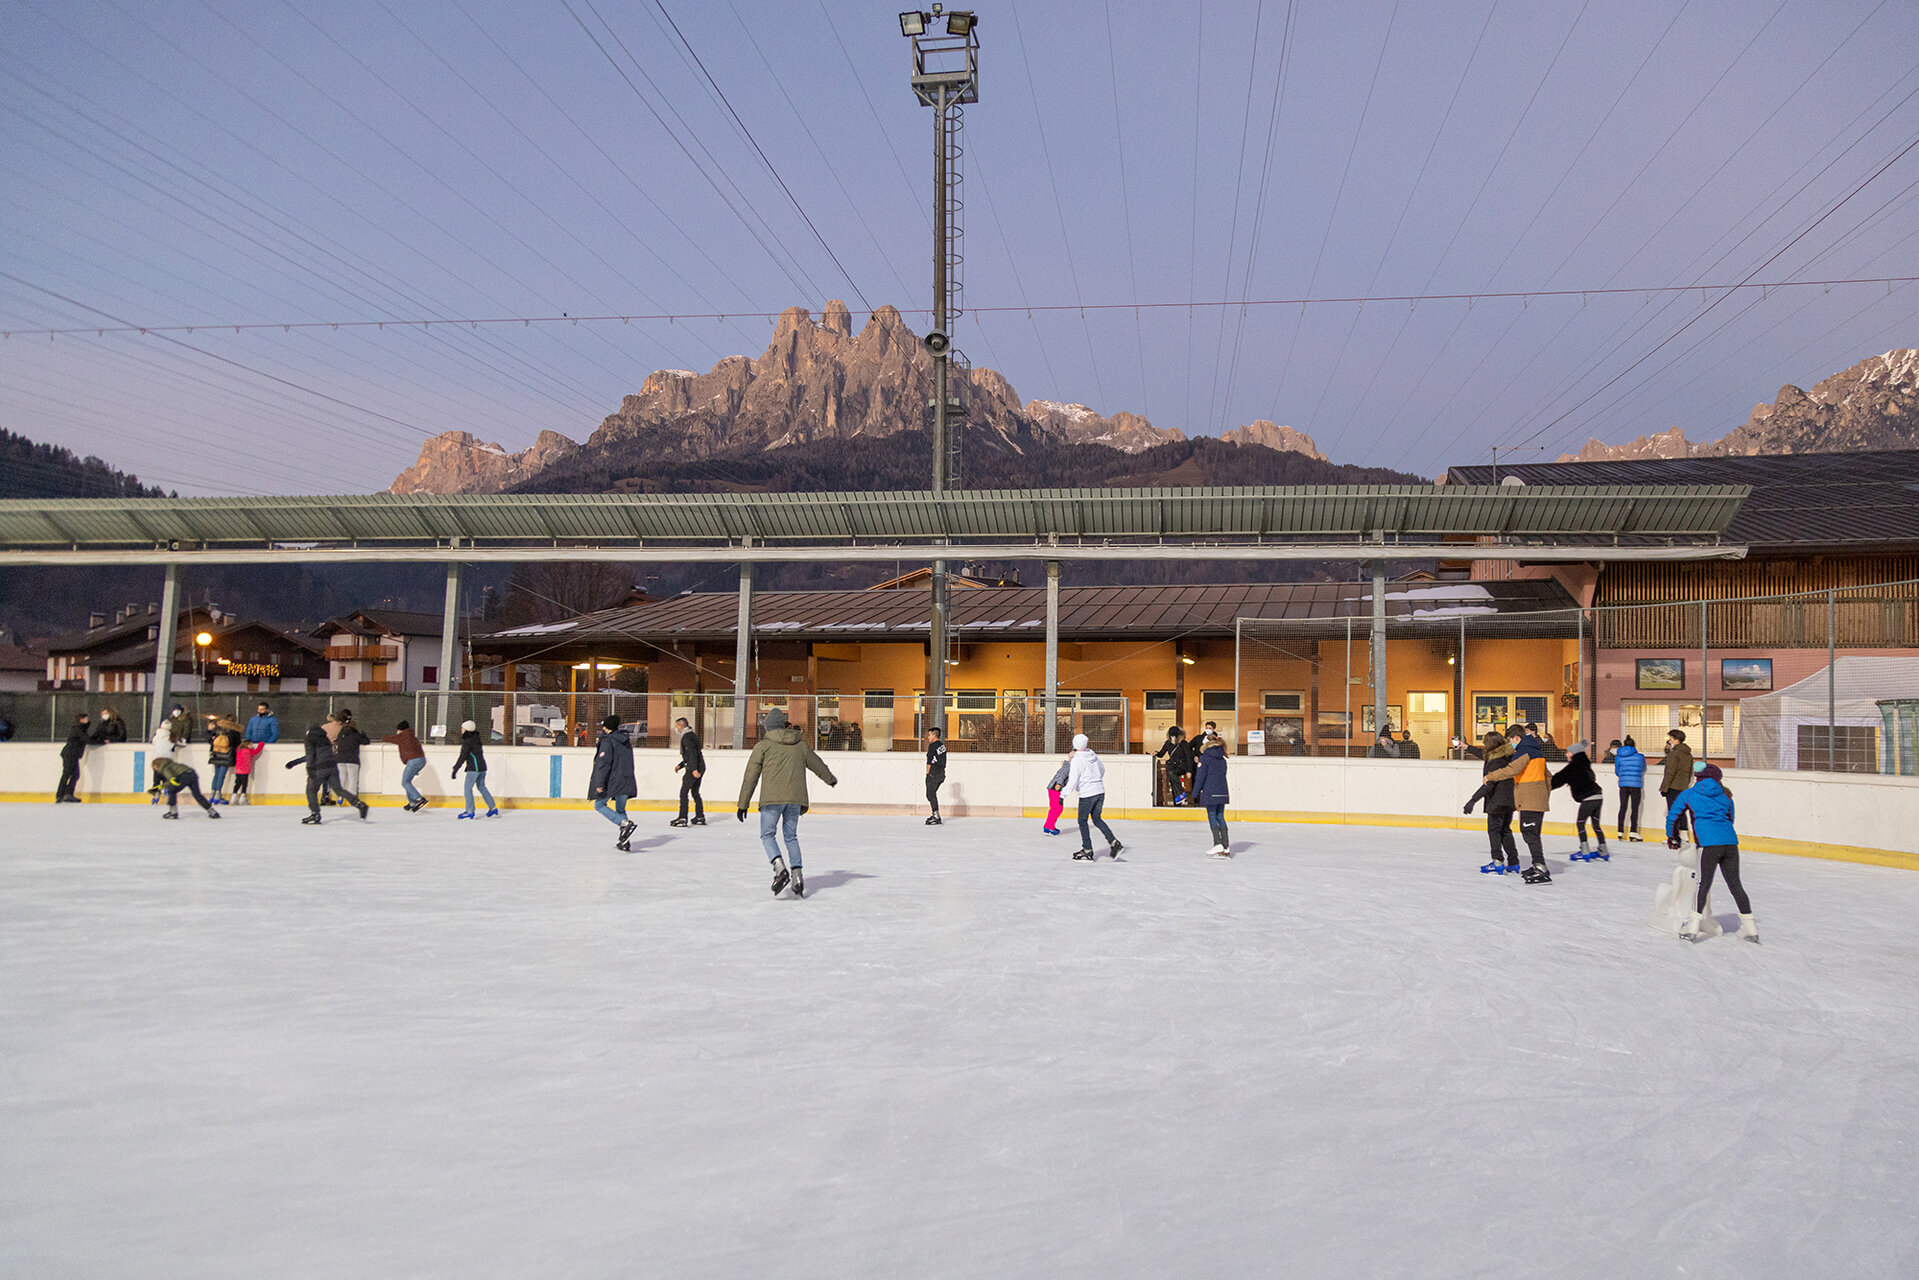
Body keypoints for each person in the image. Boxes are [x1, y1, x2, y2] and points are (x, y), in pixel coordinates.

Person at [736, 707, 837, 898]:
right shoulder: (800, 745)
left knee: (767, 835)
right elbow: (817, 763)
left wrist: (743, 804)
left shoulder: (763, 746)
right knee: (791, 837)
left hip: (771, 800)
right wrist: (830, 779)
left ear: (768, 727)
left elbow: (751, 776)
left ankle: (779, 868)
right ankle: (797, 877)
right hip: (794, 800)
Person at [1666, 762, 1758, 943]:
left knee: (1702, 884)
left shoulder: (1689, 794)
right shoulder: (1726, 796)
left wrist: (1672, 837)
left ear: (1697, 777)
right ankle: (1750, 929)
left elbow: (1673, 816)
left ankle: (1692, 928)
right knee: (1735, 885)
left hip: (1708, 844)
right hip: (1730, 843)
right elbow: (1730, 819)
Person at [1479, 724, 1552, 882]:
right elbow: (1548, 776)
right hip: (1536, 799)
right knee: (1532, 834)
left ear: (1516, 738)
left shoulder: (1524, 751)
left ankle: (1540, 868)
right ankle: (1537, 865)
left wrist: (1490, 776)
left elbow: (1511, 770)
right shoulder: (1537, 751)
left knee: (1530, 834)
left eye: (1510, 740)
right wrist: (1544, 795)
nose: (1510, 743)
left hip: (1529, 799)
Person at [285, 721, 367, 824]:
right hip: (332, 766)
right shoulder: (325, 738)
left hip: (319, 768)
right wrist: (294, 762)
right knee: (338, 790)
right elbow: (322, 754)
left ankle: (315, 813)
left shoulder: (309, 738)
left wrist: (309, 769)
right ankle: (359, 804)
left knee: (311, 790)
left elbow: (310, 755)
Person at [1463, 731, 1520, 873]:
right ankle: (1514, 862)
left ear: (1490, 745)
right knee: (1505, 830)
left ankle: (1497, 861)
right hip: (1509, 800)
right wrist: (1467, 747)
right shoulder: (1506, 755)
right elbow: (1483, 754)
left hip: (1497, 802)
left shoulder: (1495, 762)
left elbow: (1489, 785)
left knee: (1494, 831)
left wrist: (1473, 800)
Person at [1066, 732, 1123, 861]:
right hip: (1099, 791)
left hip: (1087, 794)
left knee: (1082, 821)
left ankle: (1087, 850)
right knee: (1097, 819)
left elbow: (1073, 780)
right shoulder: (1093, 754)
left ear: (1074, 744)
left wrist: (1063, 794)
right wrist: (1095, 780)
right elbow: (1102, 769)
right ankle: (1114, 842)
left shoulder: (1077, 760)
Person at [1552, 741, 1610, 862]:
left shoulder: (1573, 767)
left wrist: (1546, 785)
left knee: (1580, 823)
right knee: (1596, 824)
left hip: (1588, 798)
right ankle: (1603, 850)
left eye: (1568, 752)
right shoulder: (1586, 766)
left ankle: (1585, 851)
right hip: (1598, 796)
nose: (1566, 754)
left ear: (1574, 753)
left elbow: (1558, 779)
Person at [590, 714, 638, 851]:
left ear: (606, 727)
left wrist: (599, 783)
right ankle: (624, 841)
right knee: (620, 810)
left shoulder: (608, 741)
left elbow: (603, 764)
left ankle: (624, 824)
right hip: (626, 779)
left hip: (613, 780)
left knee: (599, 805)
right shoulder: (625, 740)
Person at [1193, 731, 1230, 856]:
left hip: (1210, 791)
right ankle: (1226, 846)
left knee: (1212, 816)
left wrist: (1195, 793)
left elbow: (1200, 777)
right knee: (1220, 817)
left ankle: (1217, 844)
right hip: (1223, 791)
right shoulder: (1223, 759)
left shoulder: (1205, 758)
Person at [450, 721, 497, 819]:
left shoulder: (468, 741)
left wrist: (455, 768)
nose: (461, 730)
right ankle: (492, 808)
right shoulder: (477, 739)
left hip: (474, 769)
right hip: (482, 767)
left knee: (467, 789)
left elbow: (463, 756)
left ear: (467, 730)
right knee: (481, 787)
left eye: (462, 728)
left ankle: (469, 811)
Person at [152, 756, 220, 820]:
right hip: (192, 774)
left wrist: (162, 786)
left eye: (153, 767)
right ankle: (212, 812)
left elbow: (172, 779)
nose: (154, 769)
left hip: (184, 776)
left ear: (156, 765)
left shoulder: (165, 768)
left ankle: (173, 812)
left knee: (172, 791)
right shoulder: (171, 764)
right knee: (197, 795)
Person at [383, 719, 429, 812]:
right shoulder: (412, 736)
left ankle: (418, 798)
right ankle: (412, 802)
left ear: (401, 729)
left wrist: (383, 738)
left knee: (405, 782)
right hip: (421, 760)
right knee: (408, 781)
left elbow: (389, 739)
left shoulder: (402, 736)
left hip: (413, 761)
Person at [1659, 730, 1695, 844]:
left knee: (1673, 812)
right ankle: (1684, 835)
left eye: (1670, 739)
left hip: (1673, 787)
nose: (1669, 741)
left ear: (1676, 740)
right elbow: (1690, 772)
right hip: (1683, 787)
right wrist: (1685, 784)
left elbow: (1670, 772)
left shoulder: (1674, 754)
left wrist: (1664, 788)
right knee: (1681, 811)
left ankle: (1674, 837)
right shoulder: (1688, 755)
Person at [670, 717, 705, 827]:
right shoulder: (692, 735)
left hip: (693, 768)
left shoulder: (686, 737)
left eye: (677, 726)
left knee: (683, 792)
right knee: (695, 792)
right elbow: (691, 755)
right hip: (700, 766)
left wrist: (694, 769)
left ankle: (682, 817)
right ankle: (700, 816)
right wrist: (680, 765)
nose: (676, 729)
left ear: (681, 726)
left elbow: (692, 754)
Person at [1612, 735, 1646, 841]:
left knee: (1623, 807)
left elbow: (1617, 772)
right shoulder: (1640, 757)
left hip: (1623, 784)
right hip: (1636, 785)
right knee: (1634, 808)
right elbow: (1643, 768)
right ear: (1634, 745)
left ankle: (1620, 831)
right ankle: (1633, 832)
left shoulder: (1618, 757)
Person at [332, 708, 369, 799]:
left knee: (341, 779)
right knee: (353, 780)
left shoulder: (341, 734)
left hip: (340, 759)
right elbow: (366, 741)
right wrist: (363, 735)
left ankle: (340, 797)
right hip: (352, 759)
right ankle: (352, 799)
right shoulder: (355, 734)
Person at [205, 714, 241, 803]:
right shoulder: (235, 731)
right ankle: (218, 795)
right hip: (227, 755)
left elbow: (210, 740)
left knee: (216, 775)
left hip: (216, 755)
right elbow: (237, 744)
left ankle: (212, 794)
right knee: (221, 776)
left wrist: (209, 731)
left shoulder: (218, 730)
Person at [55, 712, 89, 802]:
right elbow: (86, 739)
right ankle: (60, 795)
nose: (87, 720)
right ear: (81, 720)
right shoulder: (78, 729)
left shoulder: (81, 729)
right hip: (70, 754)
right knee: (67, 774)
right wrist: (101, 741)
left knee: (75, 774)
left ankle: (67, 794)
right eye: (86, 719)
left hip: (73, 754)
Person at [1153, 726, 1186, 804]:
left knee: (1171, 774)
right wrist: (1156, 753)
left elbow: (1188, 756)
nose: (1173, 737)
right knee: (1173, 781)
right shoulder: (1167, 743)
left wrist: (1189, 770)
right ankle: (1177, 801)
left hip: (1181, 766)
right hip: (1172, 765)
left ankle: (1181, 793)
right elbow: (1161, 754)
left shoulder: (1183, 743)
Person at [924, 725, 947, 825]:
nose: (928, 737)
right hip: (941, 773)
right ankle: (935, 813)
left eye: (929, 735)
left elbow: (929, 760)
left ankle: (936, 815)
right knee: (931, 794)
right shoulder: (942, 745)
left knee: (930, 794)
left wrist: (928, 773)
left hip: (934, 772)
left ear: (934, 735)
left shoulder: (933, 746)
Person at [1043, 751, 1071, 836]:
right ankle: (1049, 827)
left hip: (1054, 788)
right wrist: (1059, 784)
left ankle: (1048, 826)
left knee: (1055, 808)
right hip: (1055, 788)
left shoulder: (1067, 765)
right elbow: (1062, 775)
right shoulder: (1069, 766)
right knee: (1057, 808)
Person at [232, 738, 263, 805]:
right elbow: (257, 750)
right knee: (244, 784)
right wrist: (261, 743)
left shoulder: (239, 750)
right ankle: (242, 797)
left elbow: (238, 746)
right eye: (250, 744)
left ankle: (233, 797)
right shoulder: (250, 751)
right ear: (247, 745)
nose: (252, 745)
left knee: (237, 783)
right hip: (245, 770)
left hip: (238, 770)